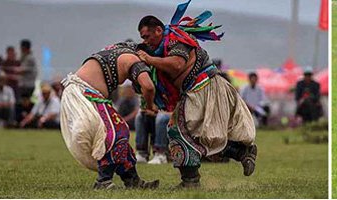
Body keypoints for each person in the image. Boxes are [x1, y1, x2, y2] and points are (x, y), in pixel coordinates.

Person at [136, 12, 256, 188]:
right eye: (142, 38)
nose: (145, 41)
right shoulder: (162, 48)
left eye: (147, 36)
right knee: (200, 135)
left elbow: (177, 63)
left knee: (178, 130)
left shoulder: (177, 38)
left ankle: (191, 181)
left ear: (159, 30)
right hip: (196, 91)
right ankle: (242, 153)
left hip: (205, 87)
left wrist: (150, 59)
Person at [59, 41, 159, 189]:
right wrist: (150, 106)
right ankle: (103, 180)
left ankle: (132, 180)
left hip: (80, 93)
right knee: (116, 133)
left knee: (120, 132)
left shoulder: (118, 49)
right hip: (84, 94)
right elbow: (148, 87)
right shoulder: (134, 59)